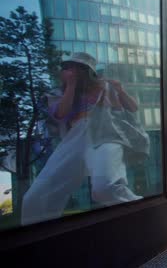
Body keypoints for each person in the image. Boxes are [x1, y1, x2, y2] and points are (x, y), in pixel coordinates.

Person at [22, 52, 142, 225]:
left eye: (76, 68)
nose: (70, 72)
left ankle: (141, 213)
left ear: (86, 71)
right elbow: (60, 113)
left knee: (105, 189)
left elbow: (133, 107)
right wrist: (70, 86)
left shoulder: (105, 87)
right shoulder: (58, 92)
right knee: (34, 198)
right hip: (75, 140)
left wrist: (120, 90)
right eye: (67, 68)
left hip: (105, 135)